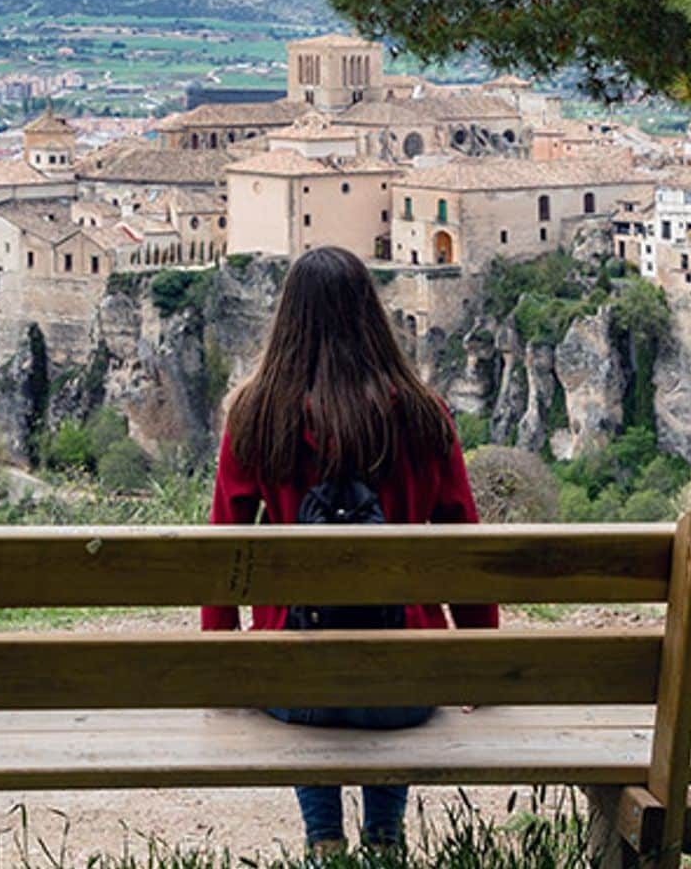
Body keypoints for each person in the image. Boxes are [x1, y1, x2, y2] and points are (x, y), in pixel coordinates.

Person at [201, 246, 497, 857]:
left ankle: (324, 841)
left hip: (296, 687)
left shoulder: (256, 416)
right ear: (372, 315)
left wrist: (222, 655)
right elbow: (463, 542)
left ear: (288, 319)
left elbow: (221, 549)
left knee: (304, 664)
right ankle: (385, 838)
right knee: (379, 670)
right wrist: (478, 658)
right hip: (406, 685)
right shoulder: (423, 414)